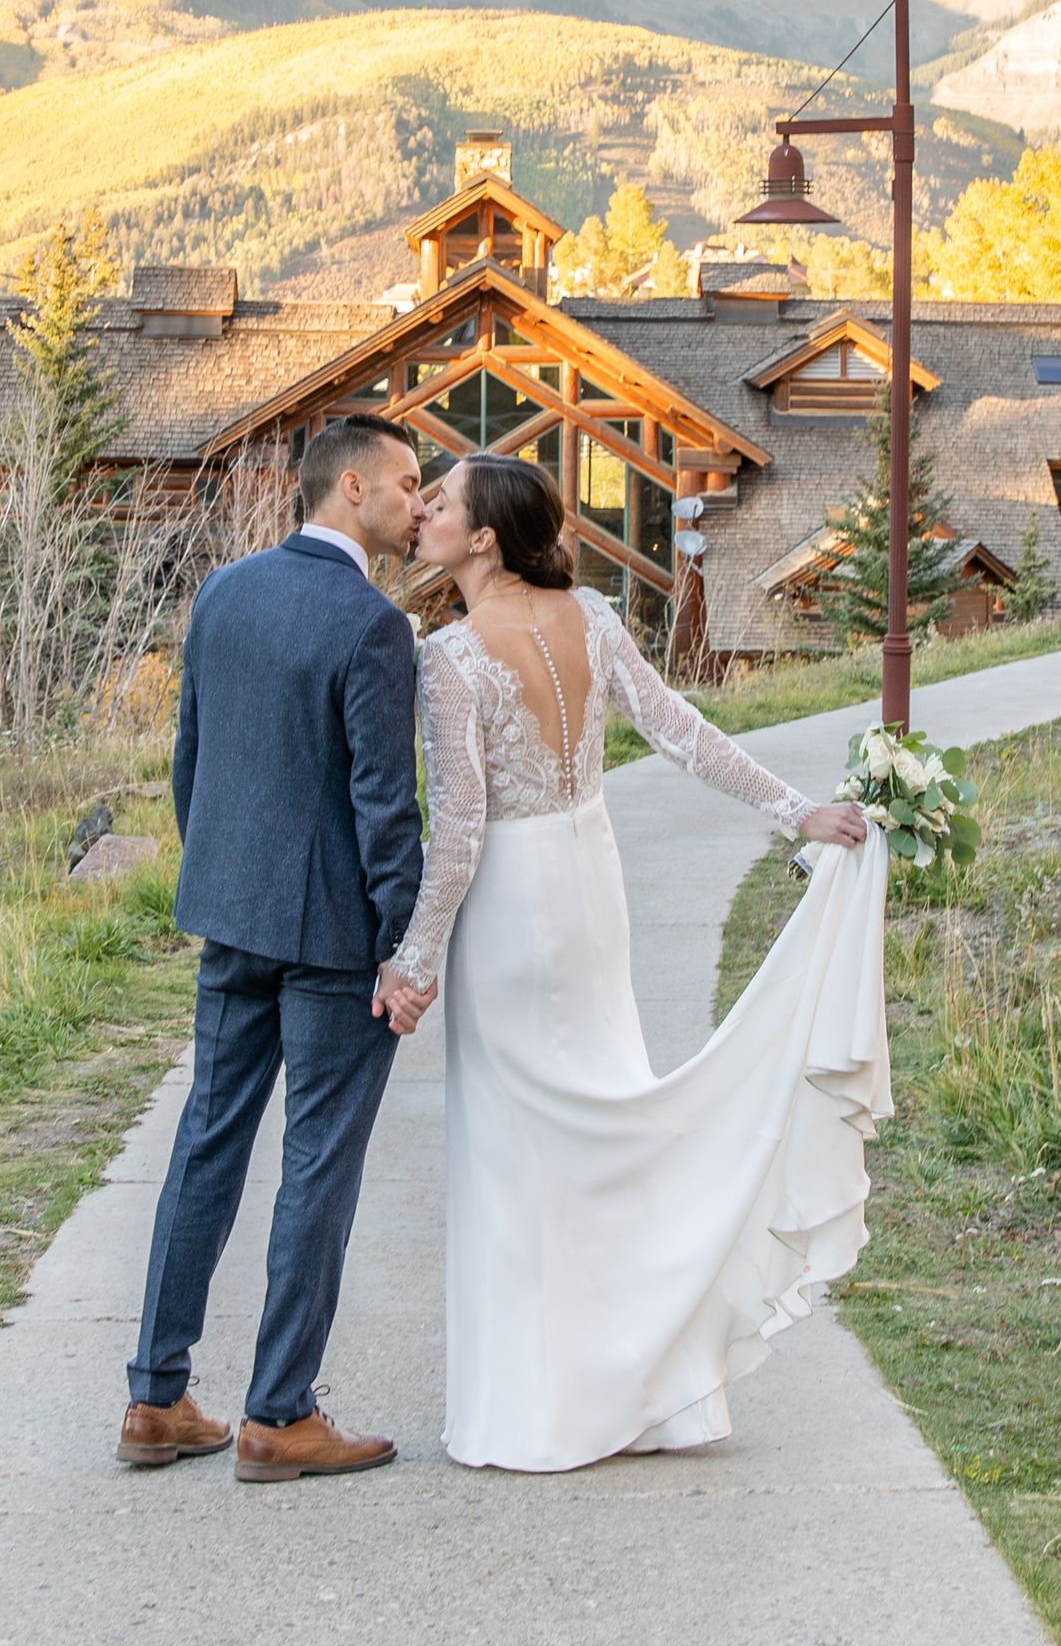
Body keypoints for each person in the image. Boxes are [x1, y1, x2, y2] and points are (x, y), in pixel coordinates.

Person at [377, 452, 890, 1472]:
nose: (421, 511)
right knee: (605, 1109)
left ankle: (539, 1405)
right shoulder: (596, 618)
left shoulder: (450, 656)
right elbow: (681, 734)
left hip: (514, 906)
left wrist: (414, 961)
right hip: (587, 879)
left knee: (520, 1152)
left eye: (439, 502)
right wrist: (793, 810)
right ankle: (649, 1390)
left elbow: (463, 831)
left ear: (482, 537)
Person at [118, 412, 429, 1484]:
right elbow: (387, 808)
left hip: (231, 910)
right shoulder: (372, 624)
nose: (419, 504)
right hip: (334, 938)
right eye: (406, 484)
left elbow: (190, 759)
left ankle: (154, 1397)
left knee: (207, 1140)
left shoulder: (224, 593)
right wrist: (403, 944)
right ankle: (279, 1414)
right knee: (316, 1163)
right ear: (349, 487)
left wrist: (217, 875)